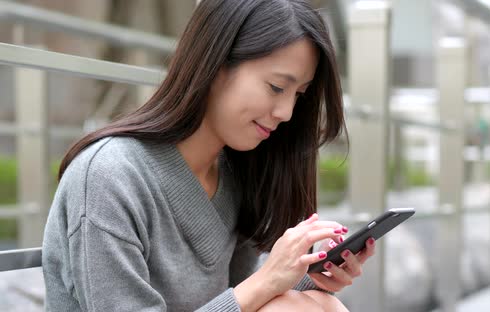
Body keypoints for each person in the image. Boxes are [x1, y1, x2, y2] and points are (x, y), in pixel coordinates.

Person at [42, 0, 376, 311]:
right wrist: (266, 282)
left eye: (298, 95)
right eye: (276, 87)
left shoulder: (234, 172)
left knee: (317, 303)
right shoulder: (108, 176)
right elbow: (251, 294)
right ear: (216, 66)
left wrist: (308, 273)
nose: (287, 112)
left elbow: (244, 293)